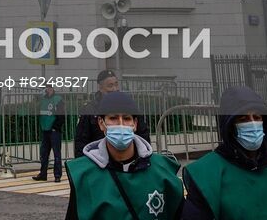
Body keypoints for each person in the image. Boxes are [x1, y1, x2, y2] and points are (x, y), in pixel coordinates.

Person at [180, 85, 267, 220]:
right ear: (230, 127)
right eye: (243, 119)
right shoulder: (207, 175)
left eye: (256, 117)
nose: (253, 124)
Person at [64, 91, 183, 220]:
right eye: (113, 118)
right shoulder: (83, 176)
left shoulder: (162, 170)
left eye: (126, 118)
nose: (120, 124)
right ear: (101, 123)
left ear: (135, 124)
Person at [76, 70, 152, 151]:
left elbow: (142, 134)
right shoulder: (90, 109)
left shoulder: (129, 105)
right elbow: (81, 140)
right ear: (100, 87)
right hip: (98, 157)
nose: (114, 89)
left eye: (116, 84)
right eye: (110, 85)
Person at [33, 83, 66, 183]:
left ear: (51, 88)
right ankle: (43, 174)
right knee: (44, 154)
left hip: (54, 131)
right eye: (45, 88)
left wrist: (55, 127)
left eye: (47, 88)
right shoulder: (43, 100)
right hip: (45, 130)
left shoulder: (58, 99)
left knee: (56, 154)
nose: (46, 90)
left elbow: (61, 116)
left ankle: (57, 175)